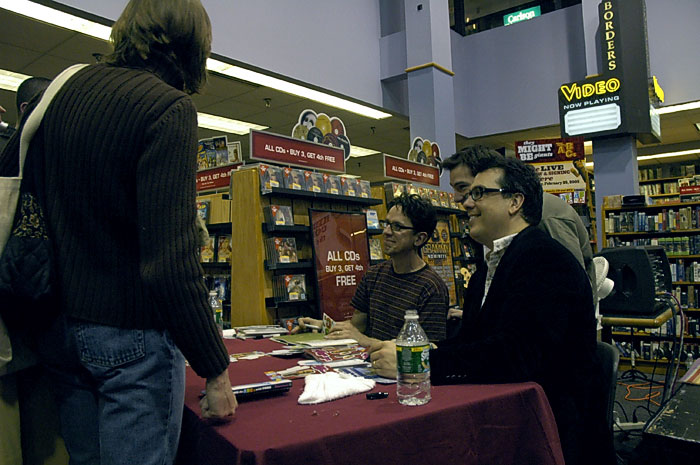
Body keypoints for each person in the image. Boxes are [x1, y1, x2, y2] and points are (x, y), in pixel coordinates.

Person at [0, 1, 237, 464]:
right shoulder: (168, 109)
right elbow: (169, 262)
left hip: (55, 327)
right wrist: (215, 368)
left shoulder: (64, 89)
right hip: (129, 335)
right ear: (192, 45)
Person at [369, 156, 614, 465]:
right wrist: (420, 348)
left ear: (514, 201)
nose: (467, 203)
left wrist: (419, 361)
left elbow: (516, 355)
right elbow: (475, 342)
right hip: (506, 420)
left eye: (479, 193)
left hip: (550, 436)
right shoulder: (492, 263)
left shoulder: (545, 261)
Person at [440, 145, 597, 320]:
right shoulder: (491, 233)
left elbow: (568, 293)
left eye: (466, 188)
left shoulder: (547, 221)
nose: (458, 198)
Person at [296, 194, 449, 345]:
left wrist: (364, 341)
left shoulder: (432, 288)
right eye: (386, 224)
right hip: (368, 365)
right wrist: (323, 326)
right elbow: (356, 326)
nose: (386, 232)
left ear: (419, 238)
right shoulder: (373, 275)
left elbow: (427, 353)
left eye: (397, 227)